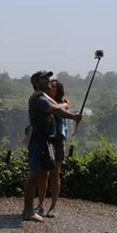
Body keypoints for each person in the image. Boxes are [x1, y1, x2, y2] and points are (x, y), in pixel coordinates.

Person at [23, 71, 82, 222]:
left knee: (40, 174)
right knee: (34, 176)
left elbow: (59, 105)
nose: (48, 80)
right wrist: (73, 116)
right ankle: (28, 211)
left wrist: (66, 105)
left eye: (48, 78)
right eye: (44, 79)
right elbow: (56, 109)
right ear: (36, 82)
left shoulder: (43, 96)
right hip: (39, 141)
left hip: (45, 141)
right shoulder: (39, 98)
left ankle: (31, 210)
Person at [38, 78, 69, 217]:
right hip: (45, 140)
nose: (50, 87)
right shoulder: (44, 101)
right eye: (50, 85)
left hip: (57, 140)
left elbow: (62, 118)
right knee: (43, 173)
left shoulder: (61, 103)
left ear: (58, 90)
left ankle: (53, 206)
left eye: (53, 86)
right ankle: (40, 205)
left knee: (55, 174)